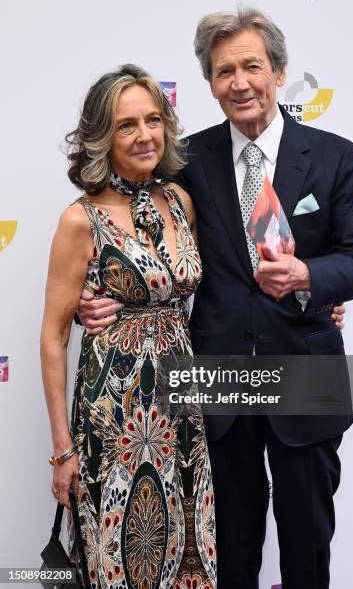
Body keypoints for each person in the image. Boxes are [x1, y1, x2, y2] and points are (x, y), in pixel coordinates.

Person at [78, 8, 353, 589]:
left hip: (305, 374)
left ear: (279, 71)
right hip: (218, 383)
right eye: (224, 72)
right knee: (230, 551)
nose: (239, 82)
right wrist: (94, 296)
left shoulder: (333, 154)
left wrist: (308, 277)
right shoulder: (186, 159)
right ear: (210, 84)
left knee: (306, 546)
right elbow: (129, 227)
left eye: (252, 66)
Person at [40, 64, 216, 589]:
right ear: (102, 136)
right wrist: (63, 450)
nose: (145, 136)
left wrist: (318, 301)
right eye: (126, 125)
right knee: (120, 557)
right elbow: (53, 337)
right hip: (113, 419)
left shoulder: (181, 202)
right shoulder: (80, 220)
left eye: (153, 120)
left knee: (188, 552)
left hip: (184, 413)